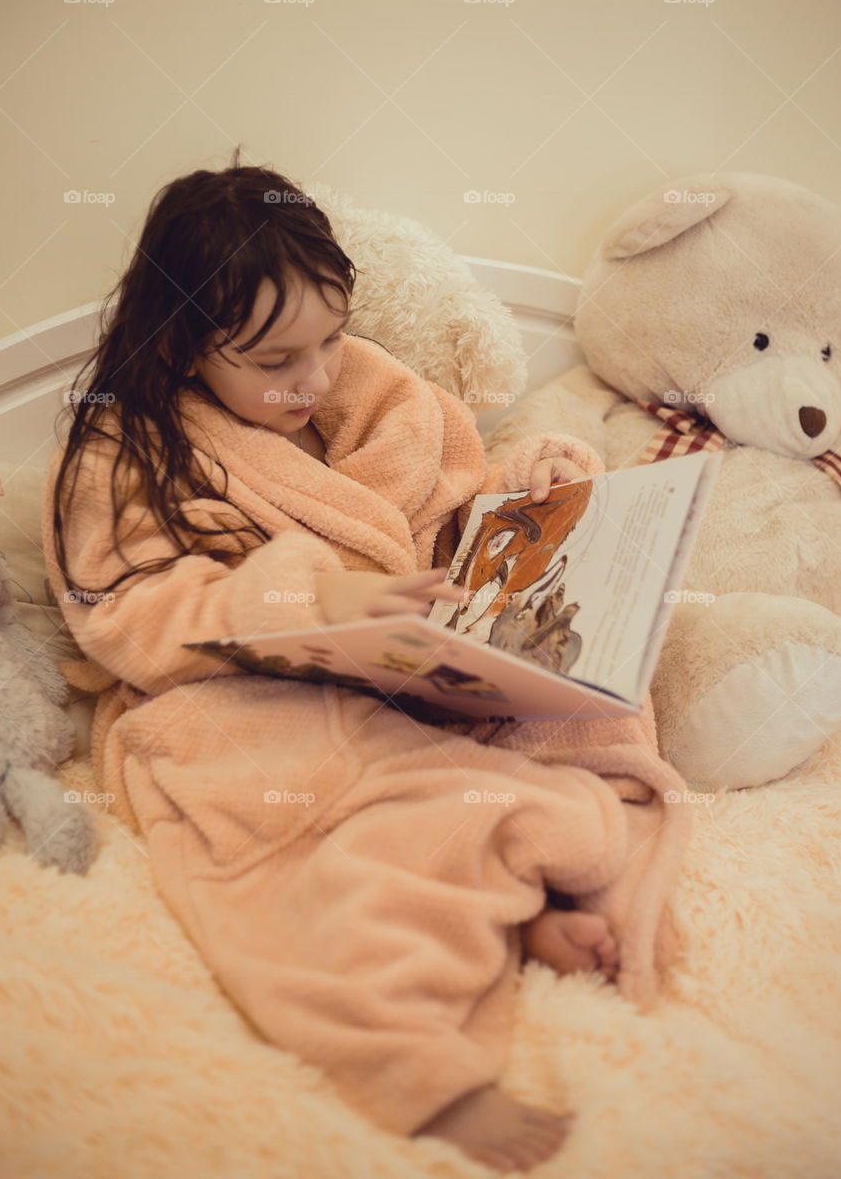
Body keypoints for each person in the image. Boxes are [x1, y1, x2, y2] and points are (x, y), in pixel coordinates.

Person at [41, 148, 691, 1174]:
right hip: (241, 690)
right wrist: (300, 598)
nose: (312, 379)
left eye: (330, 339)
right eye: (272, 362)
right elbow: (125, 611)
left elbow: (452, 518)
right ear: (181, 344)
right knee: (332, 812)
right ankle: (414, 1059)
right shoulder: (124, 452)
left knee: (580, 698)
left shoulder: (381, 397)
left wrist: (527, 505)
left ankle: (553, 903)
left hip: (417, 662)